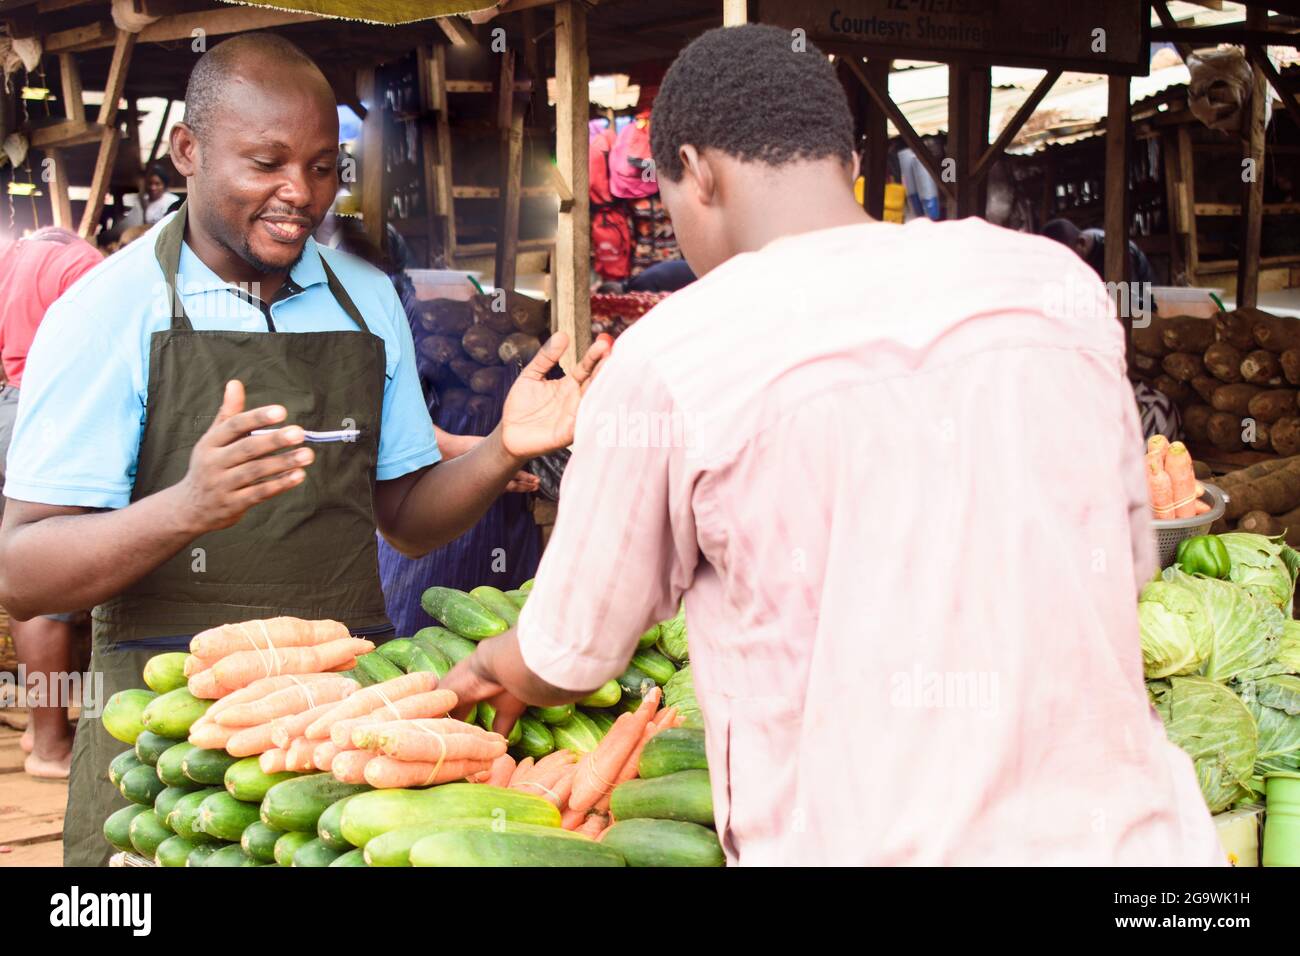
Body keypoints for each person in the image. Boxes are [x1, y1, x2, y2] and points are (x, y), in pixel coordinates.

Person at [440, 25, 1223, 866]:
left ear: (697, 173)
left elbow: (566, 654)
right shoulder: (1054, 286)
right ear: (846, 161)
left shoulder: (679, 353)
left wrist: (492, 662)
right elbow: (1125, 562)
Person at [0, 33, 607, 866]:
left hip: (338, 725)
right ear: (187, 151)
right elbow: (23, 574)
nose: (301, 193)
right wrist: (187, 508)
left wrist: (505, 447)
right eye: (266, 163)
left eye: (324, 166)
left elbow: (406, 519)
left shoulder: (365, 301)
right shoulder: (108, 313)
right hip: (163, 734)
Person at [0, 226, 102, 779]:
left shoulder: (14, 262)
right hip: (55, 415)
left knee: (28, 578)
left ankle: (46, 733)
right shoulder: (85, 265)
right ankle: (51, 746)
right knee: (54, 588)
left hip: (11, 409)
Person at [121, 164, 182, 228]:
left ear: (164, 185)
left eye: (157, 184)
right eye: (150, 183)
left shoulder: (172, 201)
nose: (153, 187)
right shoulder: (142, 201)